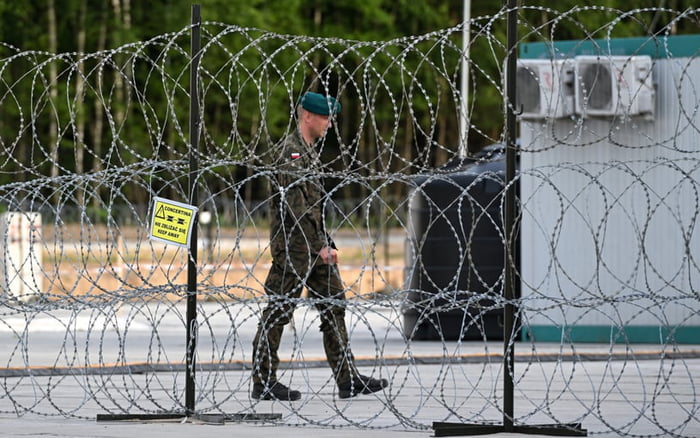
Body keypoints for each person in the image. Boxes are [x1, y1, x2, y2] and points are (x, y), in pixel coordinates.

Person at [251, 91, 388, 401]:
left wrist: (327, 243)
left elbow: (315, 207)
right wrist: (319, 246)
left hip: (313, 248)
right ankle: (263, 380)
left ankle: (347, 378)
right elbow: (297, 209)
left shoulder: (309, 153)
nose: (330, 123)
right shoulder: (291, 152)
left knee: (334, 305)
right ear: (307, 116)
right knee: (278, 311)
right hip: (294, 248)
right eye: (325, 117)